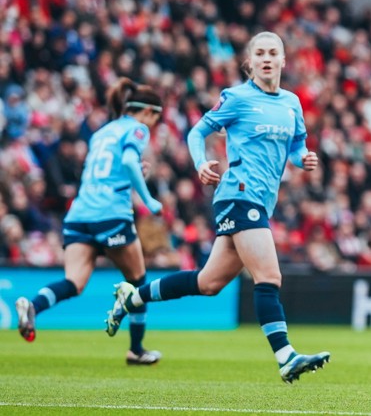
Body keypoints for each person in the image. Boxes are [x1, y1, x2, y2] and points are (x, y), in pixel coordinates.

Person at [103, 32, 330, 383]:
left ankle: (133, 298)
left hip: (260, 201)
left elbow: (297, 145)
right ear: (250, 62)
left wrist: (304, 158)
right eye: (260, 53)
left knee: (208, 282)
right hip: (238, 194)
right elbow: (196, 133)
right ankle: (285, 356)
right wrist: (200, 163)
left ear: (284, 61)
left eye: (273, 53)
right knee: (269, 276)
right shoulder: (237, 98)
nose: (267, 58)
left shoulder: (292, 103)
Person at [15, 77, 165, 365]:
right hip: (110, 213)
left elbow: (108, 170)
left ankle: (32, 306)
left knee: (73, 282)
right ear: (148, 112)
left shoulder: (102, 132)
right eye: (156, 118)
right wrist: (148, 199)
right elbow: (131, 163)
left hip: (80, 214)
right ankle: (136, 349)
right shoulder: (137, 128)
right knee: (137, 280)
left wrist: (131, 175)